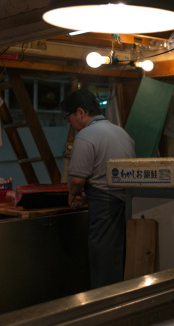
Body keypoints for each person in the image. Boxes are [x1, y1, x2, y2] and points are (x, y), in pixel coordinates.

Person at [62, 89, 135, 289]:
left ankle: (105, 311)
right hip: (128, 204)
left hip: (105, 209)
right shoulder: (122, 132)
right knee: (120, 258)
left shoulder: (86, 135)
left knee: (103, 262)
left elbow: (76, 180)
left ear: (80, 112)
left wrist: (73, 194)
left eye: (69, 118)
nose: (71, 124)